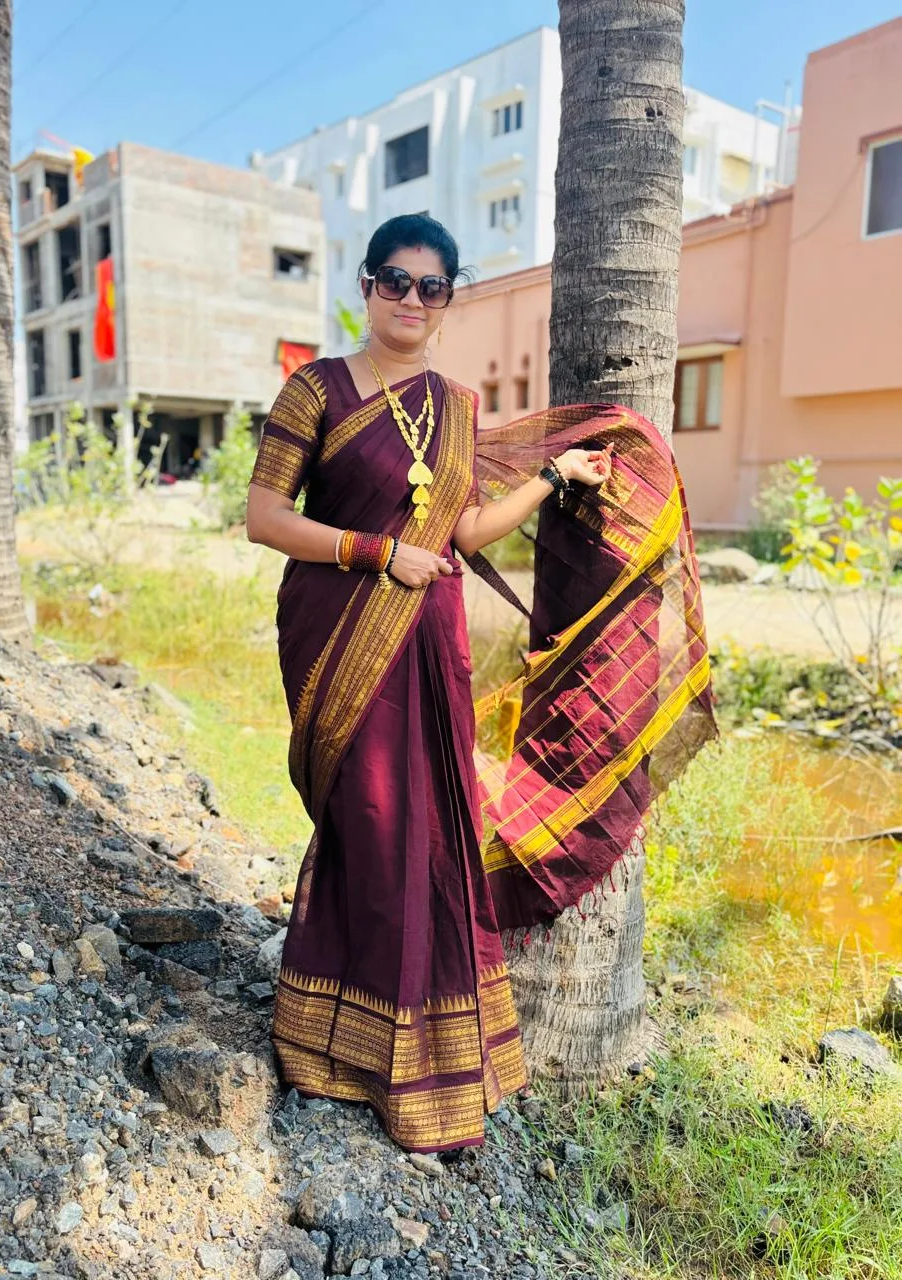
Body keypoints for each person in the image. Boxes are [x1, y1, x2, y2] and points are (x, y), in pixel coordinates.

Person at [246, 214, 714, 1153]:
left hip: (429, 639)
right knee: (367, 822)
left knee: (430, 832)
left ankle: (426, 1058)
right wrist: (377, 553)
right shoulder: (317, 388)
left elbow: (462, 532)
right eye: (395, 280)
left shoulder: (456, 407)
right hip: (341, 632)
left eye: (432, 287)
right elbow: (264, 517)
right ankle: (335, 1042)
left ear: (448, 301)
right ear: (367, 285)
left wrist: (554, 475)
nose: (411, 300)